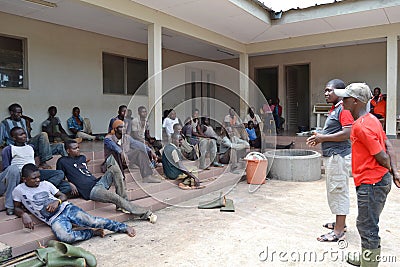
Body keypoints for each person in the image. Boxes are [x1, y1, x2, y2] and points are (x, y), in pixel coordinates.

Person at [334, 83, 400, 266]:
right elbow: (388, 145)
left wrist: (391, 169)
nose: (342, 101)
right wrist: (395, 172)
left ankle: (369, 263)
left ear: (355, 101)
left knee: (367, 226)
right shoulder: (372, 119)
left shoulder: (361, 127)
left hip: (372, 183)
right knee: (368, 221)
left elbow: (382, 156)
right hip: (376, 181)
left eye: (345, 98)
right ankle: (366, 258)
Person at [13, 163, 136, 243]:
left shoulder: (46, 184)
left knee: (93, 221)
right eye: (34, 178)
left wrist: (57, 201)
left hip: (66, 208)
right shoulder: (18, 190)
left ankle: (123, 227)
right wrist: (23, 214)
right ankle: (92, 232)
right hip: (54, 220)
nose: (38, 180)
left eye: (39, 176)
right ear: (24, 179)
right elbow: (16, 208)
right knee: (65, 237)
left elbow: (62, 195)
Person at [57, 140, 157, 223]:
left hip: (98, 182)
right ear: (68, 151)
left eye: (78, 147)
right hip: (90, 190)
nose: (78, 150)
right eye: (75, 148)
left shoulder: (82, 157)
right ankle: (146, 213)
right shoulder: (62, 161)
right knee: (114, 197)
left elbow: (83, 170)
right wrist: (70, 183)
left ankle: (122, 203)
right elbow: (60, 177)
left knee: (114, 168)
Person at [306, 79, 353, 242]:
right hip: (333, 155)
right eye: (325, 90)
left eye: (329, 91)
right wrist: (319, 134)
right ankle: (340, 223)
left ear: (340, 93)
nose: (326, 93)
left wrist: (322, 138)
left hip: (338, 156)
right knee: (335, 190)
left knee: (338, 190)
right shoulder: (335, 108)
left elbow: (348, 133)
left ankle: (339, 231)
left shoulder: (344, 109)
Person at [1, 127, 71, 215]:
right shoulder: (8, 149)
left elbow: (35, 158)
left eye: (24, 133)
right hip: (19, 176)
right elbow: (7, 170)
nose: (24, 136)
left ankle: (41, 192)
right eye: (21, 134)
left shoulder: (31, 147)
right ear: (14, 138)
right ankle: (11, 206)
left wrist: (37, 168)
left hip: (34, 175)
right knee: (13, 169)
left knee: (62, 178)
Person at [0, 103, 66, 169]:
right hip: (18, 148)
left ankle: (69, 163)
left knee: (60, 146)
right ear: (11, 113)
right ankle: (43, 161)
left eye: (21, 112)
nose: (20, 115)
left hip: (29, 145)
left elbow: (28, 137)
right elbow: (0, 140)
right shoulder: (4, 123)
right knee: (43, 134)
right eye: (18, 113)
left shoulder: (23, 121)